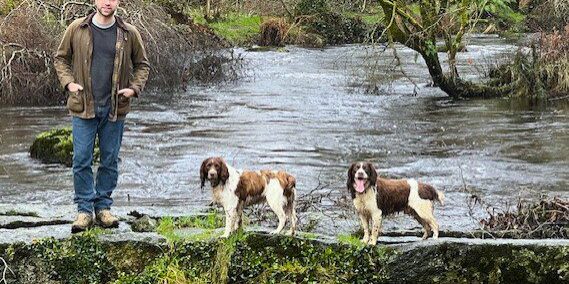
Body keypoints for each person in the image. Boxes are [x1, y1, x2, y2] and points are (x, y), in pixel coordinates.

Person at [54, 0, 150, 233]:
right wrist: (69, 84)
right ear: (95, 1)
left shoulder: (128, 33)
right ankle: (85, 210)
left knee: (109, 159)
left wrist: (133, 88)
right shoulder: (77, 28)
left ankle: (103, 208)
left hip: (114, 109)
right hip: (83, 106)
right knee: (81, 159)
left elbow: (142, 65)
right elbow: (60, 59)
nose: (107, 2)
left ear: (118, 2)